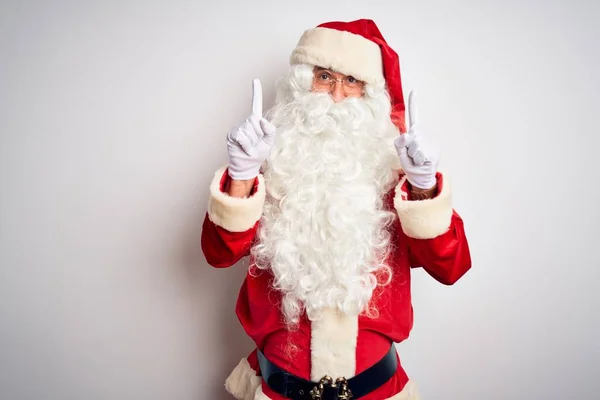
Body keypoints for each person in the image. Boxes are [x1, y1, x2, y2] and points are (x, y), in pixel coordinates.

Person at [201, 18, 472, 400]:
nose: (336, 95)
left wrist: (424, 188)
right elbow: (217, 254)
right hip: (277, 390)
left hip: (375, 392)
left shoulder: (398, 179)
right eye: (325, 77)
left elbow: (452, 267)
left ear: (370, 95)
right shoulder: (269, 167)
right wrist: (242, 175)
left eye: (352, 81)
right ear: (301, 83)